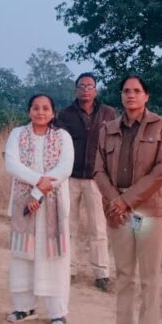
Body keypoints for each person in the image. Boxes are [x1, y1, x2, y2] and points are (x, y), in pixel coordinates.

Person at [93, 75, 162, 324]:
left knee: (149, 273)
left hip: (146, 210)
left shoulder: (161, 125)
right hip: (118, 209)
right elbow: (98, 169)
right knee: (124, 271)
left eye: (136, 91)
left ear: (146, 96)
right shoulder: (108, 128)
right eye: (126, 91)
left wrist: (127, 200)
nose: (131, 95)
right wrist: (115, 201)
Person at [4, 94, 75, 324]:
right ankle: (24, 308)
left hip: (52, 206)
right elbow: (11, 164)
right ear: (29, 111)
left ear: (53, 113)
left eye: (45, 108)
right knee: (23, 257)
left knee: (54, 257)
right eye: (36, 108)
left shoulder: (62, 136)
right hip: (24, 206)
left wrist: (37, 194)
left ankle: (57, 312)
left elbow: (65, 168)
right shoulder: (17, 134)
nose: (40, 112)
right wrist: (38, 184)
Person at [57, 73, 117, 292]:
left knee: (98, 228)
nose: (85, 89)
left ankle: (101, 274)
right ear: (76, 90)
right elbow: (58, 145)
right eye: (81, 86)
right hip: (70, 177)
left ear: (95, 90)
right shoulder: (65, 114)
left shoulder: (108, 113)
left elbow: (114, 143)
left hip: (96, 178)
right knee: (67, 225)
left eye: (89, 86)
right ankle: (68, 269)